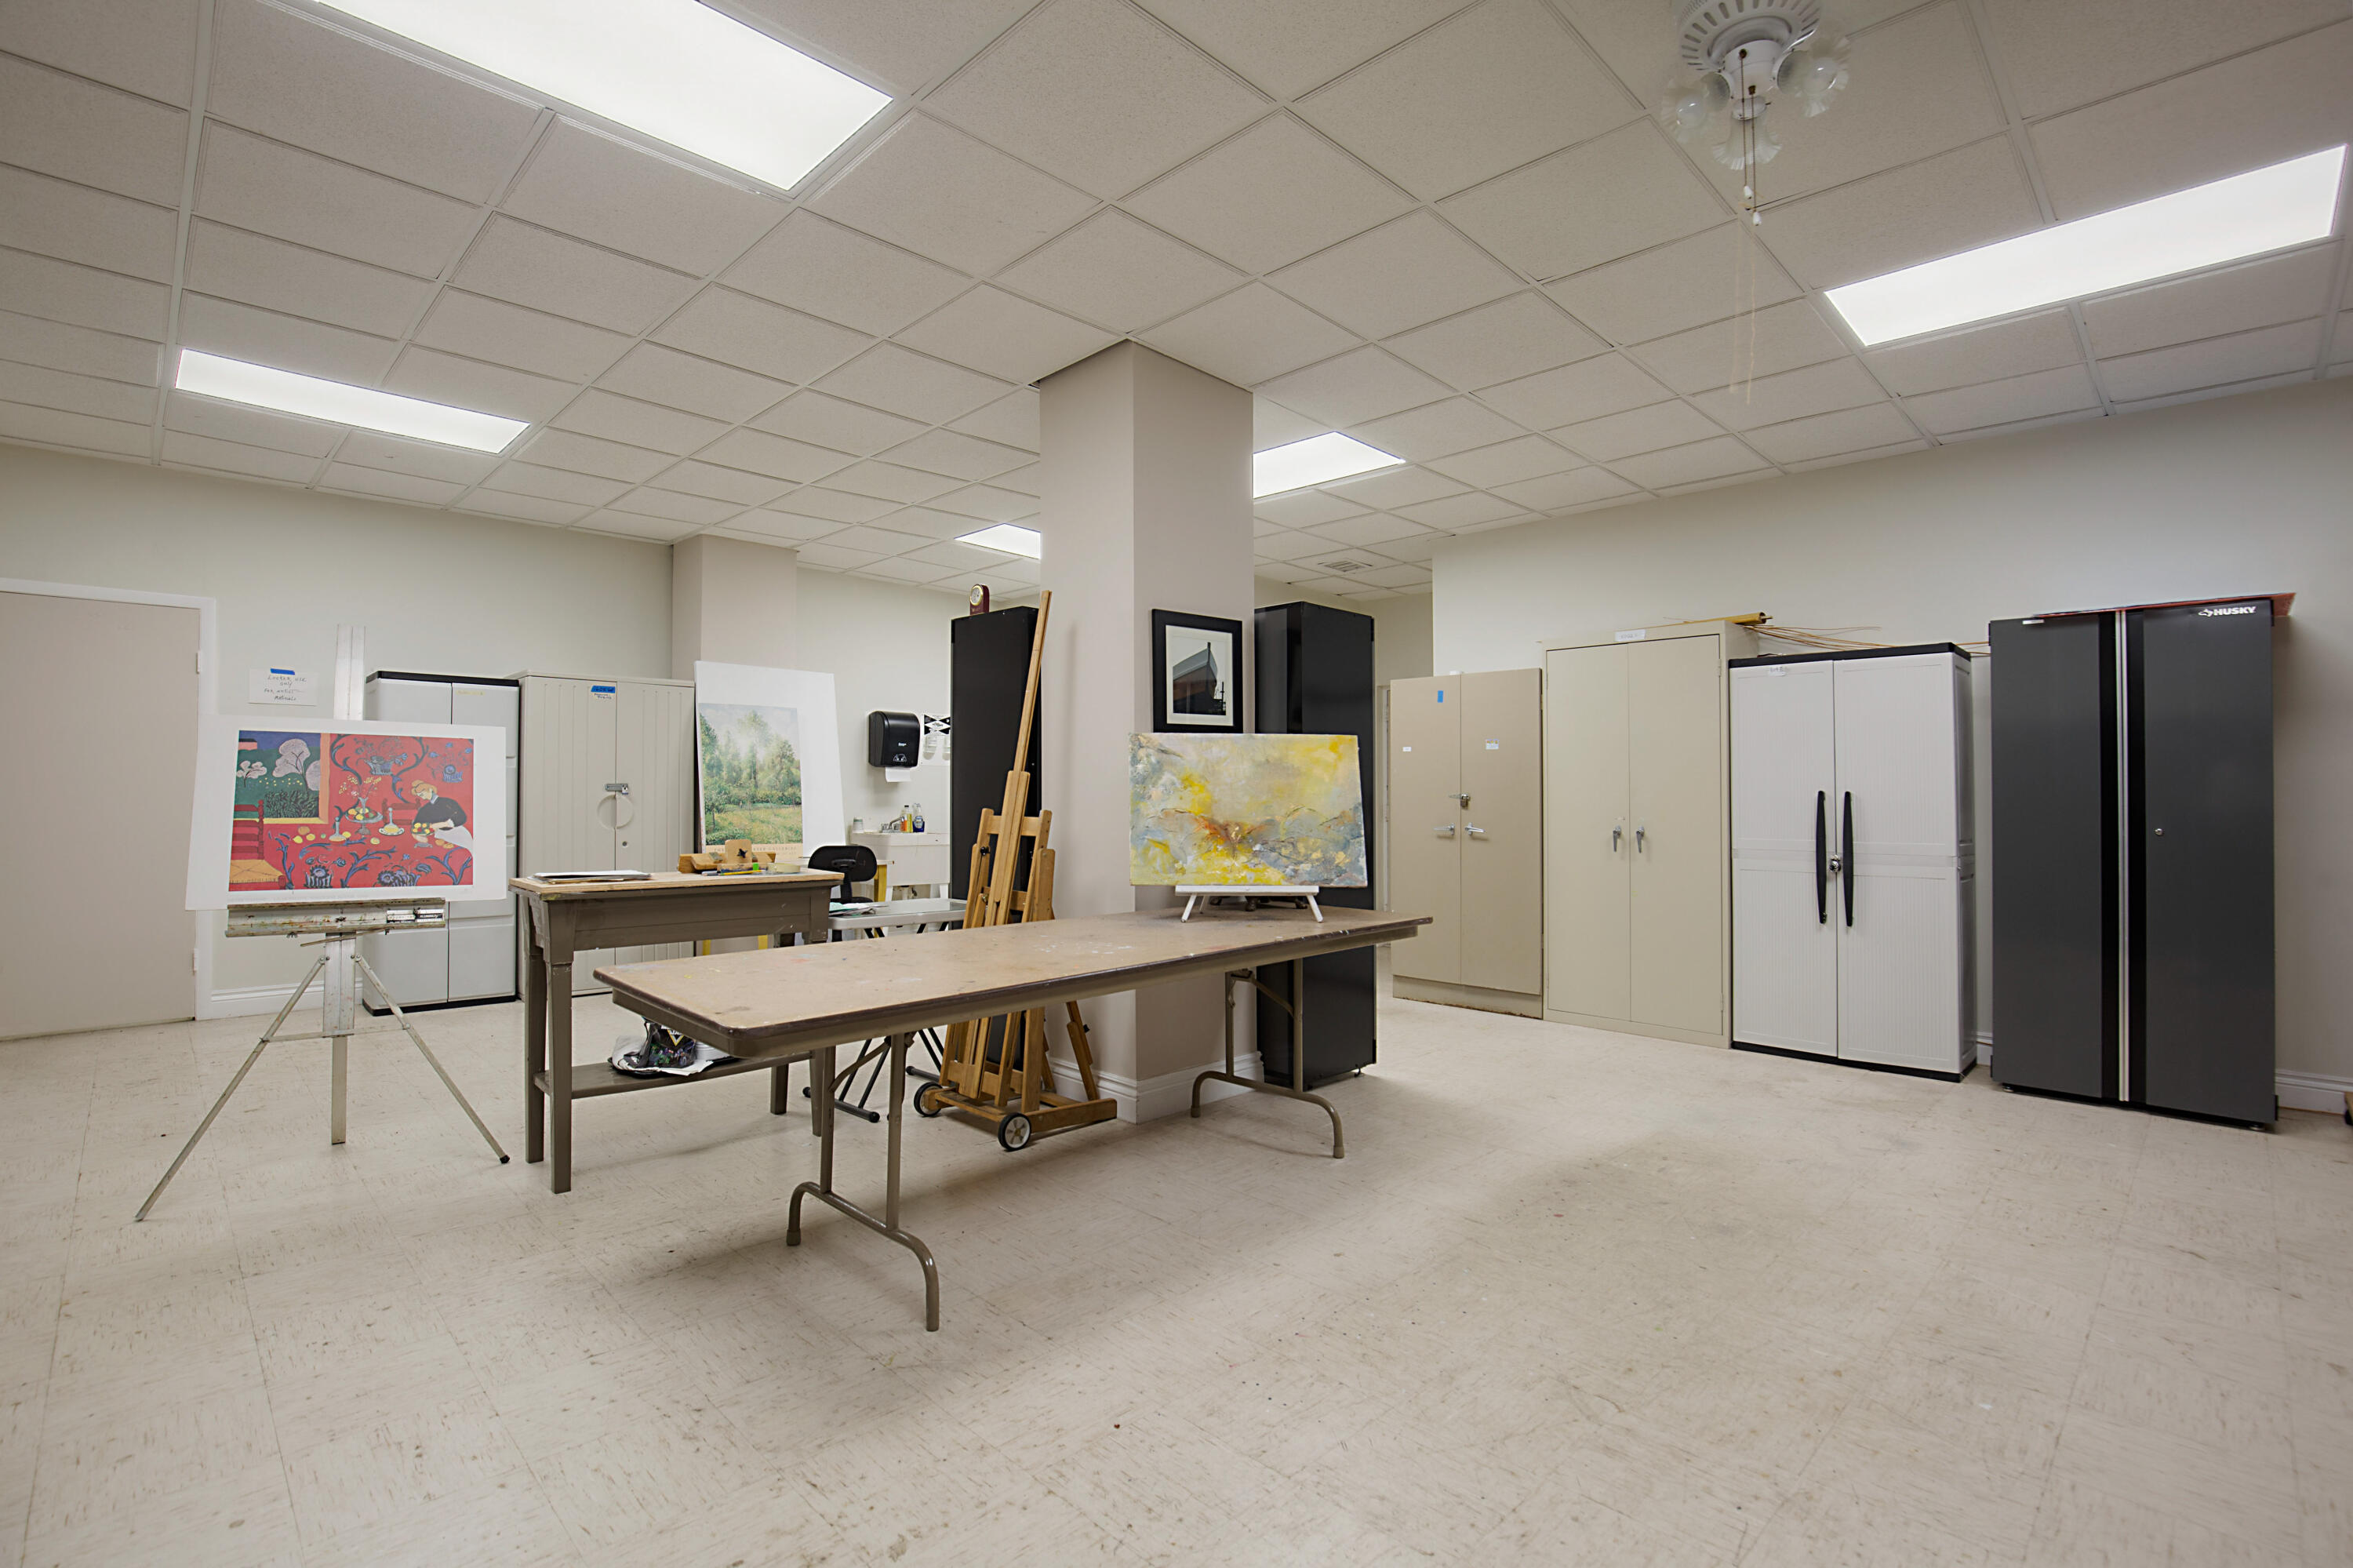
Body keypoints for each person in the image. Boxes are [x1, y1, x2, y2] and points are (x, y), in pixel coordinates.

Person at [406, 780, 472, 850]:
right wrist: (417, 835)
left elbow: (462, 817)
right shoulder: (425, 809)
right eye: (420, 796)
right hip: (441, 835)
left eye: (422, 794)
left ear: (430, 790)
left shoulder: (448, 802)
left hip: (458, 833)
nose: (423, 798)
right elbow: (417, 823)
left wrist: (443, 824)